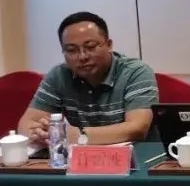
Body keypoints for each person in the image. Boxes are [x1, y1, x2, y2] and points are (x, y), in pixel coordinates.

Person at [17, 11, 158, 145]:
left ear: (109, 45)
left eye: (90, 47)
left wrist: (78, 135)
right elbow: (25, 125)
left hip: (137, 156)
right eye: (71, 50)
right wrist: (42, 134)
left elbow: (137, 128)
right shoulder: (59, 75)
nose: (82, 56)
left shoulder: (136, 72)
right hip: (80, 157)